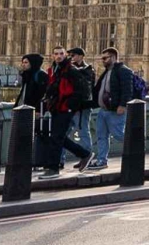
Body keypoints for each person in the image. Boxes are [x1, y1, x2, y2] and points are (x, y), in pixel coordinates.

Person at [39, 47, 93, 178]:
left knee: (56, 137)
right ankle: (85, 154)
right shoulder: (56, 70)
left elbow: (83, 91)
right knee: (59, 137)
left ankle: (53, 169)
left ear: (65, 55)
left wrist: (70, 105)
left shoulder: (71, 70)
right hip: (57, 107)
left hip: (65, 109)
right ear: (52, 55)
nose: (59, 56)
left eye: (61, 54)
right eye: (56, 54)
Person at [88, 47, 135, 171]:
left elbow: (127, 90)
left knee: (119, 135)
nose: (102, 60)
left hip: (115, 111)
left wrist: (122, 105)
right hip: (103, 110)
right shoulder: (107, 71)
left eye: (105, 58)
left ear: (113, 57)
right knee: (101, 136)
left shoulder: (124, 71)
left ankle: (137, 150)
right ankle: (101, 160)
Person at [66, 47, 97, 157]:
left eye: (73, 55)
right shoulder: (69, 68)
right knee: (63, 133)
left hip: (82, 106)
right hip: (69, 105)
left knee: (83, 131)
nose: (71, 58)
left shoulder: (88, 69)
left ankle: (87, 156)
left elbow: (85, 85)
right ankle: (59, 160)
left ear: (81, 56)